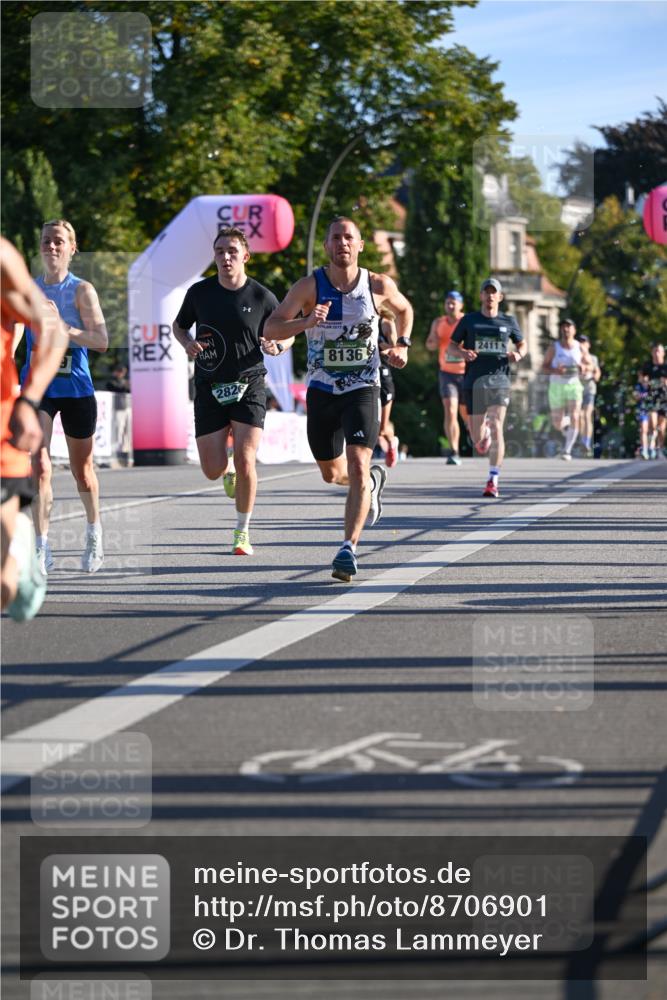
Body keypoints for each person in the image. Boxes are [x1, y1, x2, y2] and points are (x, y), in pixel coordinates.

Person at [264, 216, 413, 581]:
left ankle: (349, 547)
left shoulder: (377, 284)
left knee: (360, 463)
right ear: (327, 246)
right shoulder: (308, 286)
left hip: (363, 386)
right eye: (335, 238)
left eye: (349, 237)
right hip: (322, 389)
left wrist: (402, 345)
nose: (342, 243)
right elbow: (271, 326)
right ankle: (371, 486)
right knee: (333, 474)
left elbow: (405, 309)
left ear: (360, 246)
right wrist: (305, 323)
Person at [173, 225, 292, 555]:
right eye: (220, 252)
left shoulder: (261, 296)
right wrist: (187, 343)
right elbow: (179, 327)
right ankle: (225, 471)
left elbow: (288, 330)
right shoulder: (200, 293)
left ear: (245, 257)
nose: (225, 257)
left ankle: (242, 532)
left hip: (249, 382)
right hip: (210, 385)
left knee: (246, 459)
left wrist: (279, 345)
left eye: (232, 252)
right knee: (212, 470)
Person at [17, 219, 108, 574]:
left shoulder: (82, 290)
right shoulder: (27, 291)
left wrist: (63, 328)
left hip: (76, 390)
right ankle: (42, 547)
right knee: (39, 467)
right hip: (38, 388)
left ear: (72, 249)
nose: (51, 247)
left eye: (58, 241)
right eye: (45, 241)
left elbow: (100, 341)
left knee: (81, 472)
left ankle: (93, 532)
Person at [1, 236, 68, 620]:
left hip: (2, 438)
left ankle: (18, 547)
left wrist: (29, 401)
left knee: (3, 588)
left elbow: (53, 329)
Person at [449, 278, 526, 498]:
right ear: (481, 296)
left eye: (494, 292)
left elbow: (522, 343)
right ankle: (483, 438)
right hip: (474, 381)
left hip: (499, 380)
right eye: (487, 292)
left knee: (496, 424)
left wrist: (519, 353)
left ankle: (493, 479)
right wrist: (463, 353)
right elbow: (452, 346)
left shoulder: (509, 321)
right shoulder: (469, 321)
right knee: (476, 438)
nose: (490, 296)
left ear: (500, 297)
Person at [425, 290, 467, 465]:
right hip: (447, 373)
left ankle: (479, 434)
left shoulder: (467, 321)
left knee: (468, 416)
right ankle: (454, 450)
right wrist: (434, 337)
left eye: (454, 302)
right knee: (450, 411)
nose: (450, 305)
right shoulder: (438, 322)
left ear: (460, 305)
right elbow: (430, 345)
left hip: (466, 373)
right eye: (448, 302)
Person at [542, 317, 584, 461]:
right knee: (557, 423)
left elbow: (591, 366)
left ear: (574, 330)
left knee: (575, 415)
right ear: (561, 330)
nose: (566, 329)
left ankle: (567, 450)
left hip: (573, 385)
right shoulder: (554, 347)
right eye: (564, 327)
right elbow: (544, 366)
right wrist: (555, 370)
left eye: (569, 327)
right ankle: (567, 423)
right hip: (556, 385)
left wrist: (584, 368)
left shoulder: (580, 347)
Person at [376, 305, 400, 468]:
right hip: (364, 376)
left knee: (382, 429)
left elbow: (394, 348)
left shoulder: (386, 323)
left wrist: (377, 345)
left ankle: (392, 442)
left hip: (383, 376)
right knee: (370, 424)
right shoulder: (357, 321)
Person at [641, 342, 667, 459]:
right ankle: (651, 448)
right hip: (651, 398)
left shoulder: (665, 367)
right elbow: (642, 378)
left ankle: (659, 448)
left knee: (661, 428)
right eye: (655, 351)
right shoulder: (648, 366)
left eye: (659, 351)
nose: (657, 354)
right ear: (652, 353)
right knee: (652, 422)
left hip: (664, 399)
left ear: (663, 353)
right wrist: (645, 381)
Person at [576, 334, 601, 456]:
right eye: (580, 342)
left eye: (584, 342)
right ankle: (582, 440)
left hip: (589, 388)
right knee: (579, 416)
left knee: (587, 415)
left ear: (588, 344)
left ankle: (586, 442)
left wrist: (595, 376)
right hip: (577, 389)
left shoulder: (593, 358)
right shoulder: (575, 357)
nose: (582, 344)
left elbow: (597, 373)